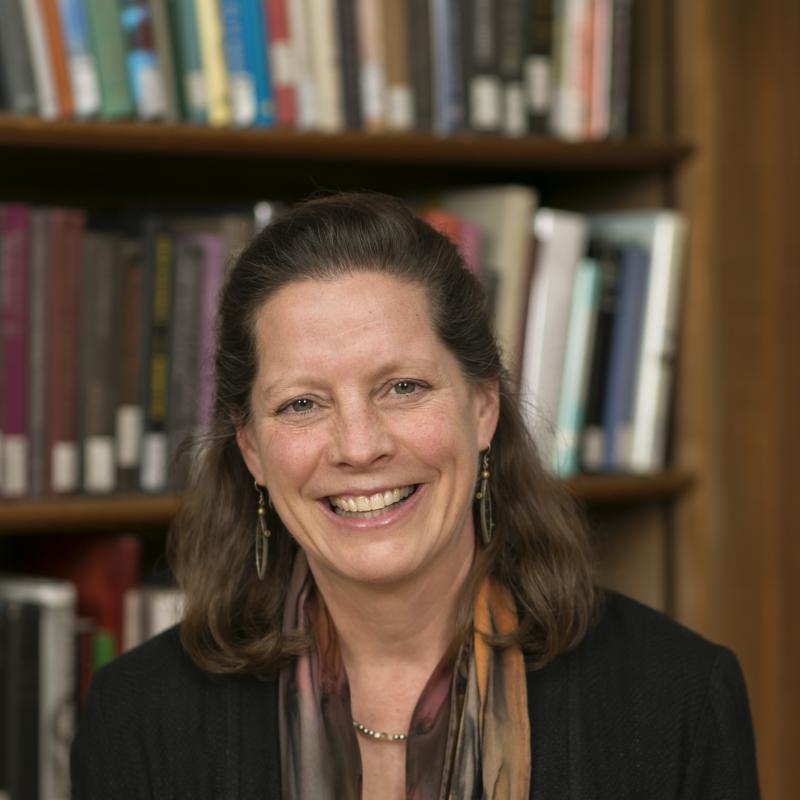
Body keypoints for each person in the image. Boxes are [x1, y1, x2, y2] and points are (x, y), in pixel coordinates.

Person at [71, 192, 759, 799]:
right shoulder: (139, 718)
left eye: (403, 387)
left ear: (484, 406)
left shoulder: (678, 697)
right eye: (303, 403)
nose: (360, 445)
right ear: (251, 448)